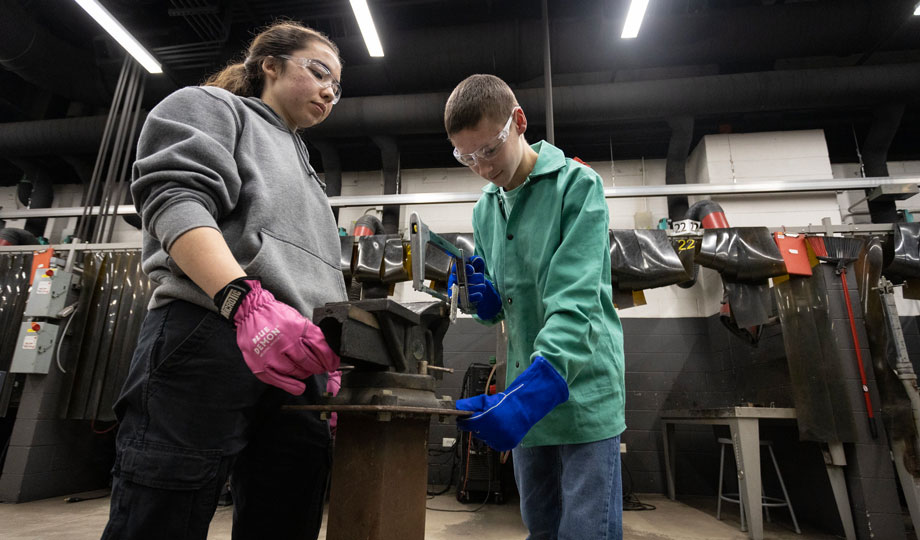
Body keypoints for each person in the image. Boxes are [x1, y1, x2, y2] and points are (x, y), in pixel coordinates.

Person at [101, 22, 346, 540]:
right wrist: (243, 301)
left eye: (338, 86)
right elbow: (174, 198)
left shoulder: (310, 172)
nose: (330, 90)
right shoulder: (212, 107)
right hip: (214, 329)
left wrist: (330, 360)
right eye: (320, 71)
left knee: (286, 517)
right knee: (160, 517)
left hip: (295, 361)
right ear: (271, 66)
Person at [444, 74, 626, 540]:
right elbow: (506, 306)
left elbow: (575, 300)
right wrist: (483, 301)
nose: (482, 168)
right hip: (526, 394)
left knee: (585, 533)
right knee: (541, 530)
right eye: (466, 157)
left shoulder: (577, 187)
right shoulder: (486, 210)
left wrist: (530, 393)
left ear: (519, 121)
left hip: (580, 390)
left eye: (488, 150)